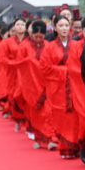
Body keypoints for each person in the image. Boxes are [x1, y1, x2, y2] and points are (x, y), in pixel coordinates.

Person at [40, 15, 84, 159]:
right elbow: (45, 68)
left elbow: (82, 65)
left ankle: (77, 146)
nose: (64, 28)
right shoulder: (49, 47)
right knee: (62, 116)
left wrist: (73, 71)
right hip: (58, 88)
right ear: (55, 28)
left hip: (75, 86)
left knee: (76, 116)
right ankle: (65, 147)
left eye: (66, 25)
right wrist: (65, 70)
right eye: (61, 26)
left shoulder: (77, 45)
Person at [14, 20, 57, 150]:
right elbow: (19, 64)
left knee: (48, 113)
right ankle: (38, 138)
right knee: (35, 114)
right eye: (36, 36)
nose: (38, 39)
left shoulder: (49, 46)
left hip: (47, 84)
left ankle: (51, 138)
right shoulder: (24, 47)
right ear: (31, 34)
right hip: (31, 85)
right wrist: (29, 62)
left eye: (41, 37)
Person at [0, 17, 29, 131]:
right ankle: (17, 119)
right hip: (13, 72)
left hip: (27, 72)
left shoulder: (29, 41)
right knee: (15, 96)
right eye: (18, 24)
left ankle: (28, 120)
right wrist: (13, 63)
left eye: (22, 24)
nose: (20, 26)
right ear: (14, 27)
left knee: (27, 96)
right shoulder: (8, 42)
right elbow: (2, 57)